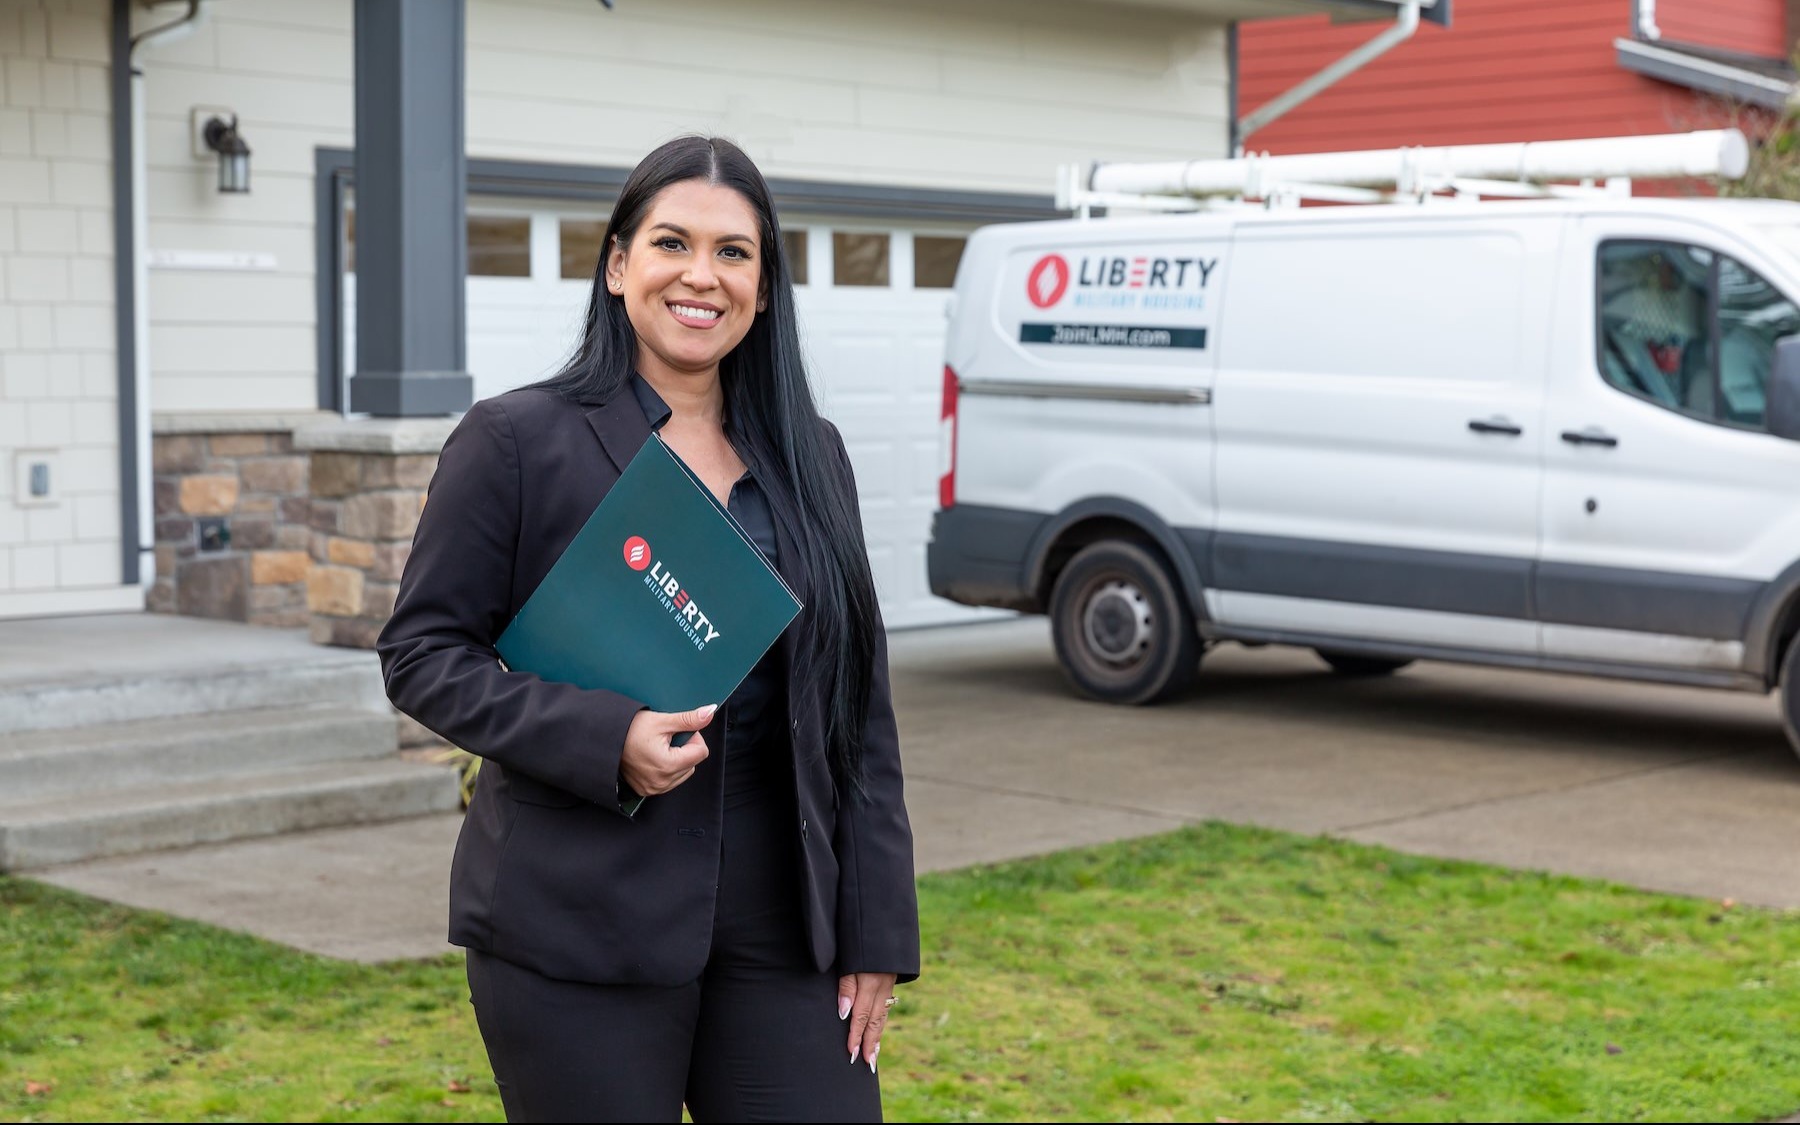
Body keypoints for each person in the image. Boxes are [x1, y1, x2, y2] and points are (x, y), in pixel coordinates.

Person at [377, 135, 920, 1123]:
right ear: (620, 263)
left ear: (765, 283)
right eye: (672, 243)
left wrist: (877, 927)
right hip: (577, 921)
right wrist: (602, 737)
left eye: (734, 252)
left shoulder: (812, 456)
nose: (701, 276)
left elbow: (859, 710)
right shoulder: (517, 442)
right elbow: (422, 657)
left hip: (785, 925)